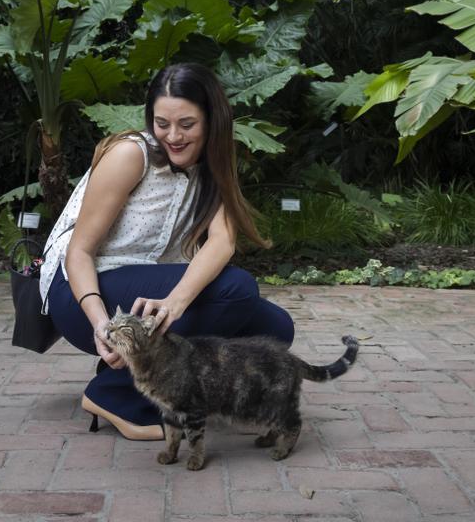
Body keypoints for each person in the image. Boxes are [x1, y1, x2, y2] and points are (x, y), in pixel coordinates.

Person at [38, 63, 295, 440]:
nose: (173, 136)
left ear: (211, 120)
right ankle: (114, 395)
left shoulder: (213, 163)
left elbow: (222, 241)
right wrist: (101, 325)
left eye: (187, 125)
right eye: (162, 123)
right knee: (237, 290)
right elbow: (78, 252)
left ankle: (136, 373)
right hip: (78, 294)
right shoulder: (130, 155)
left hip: (138, 294)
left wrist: (175, 302)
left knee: (273, 329)